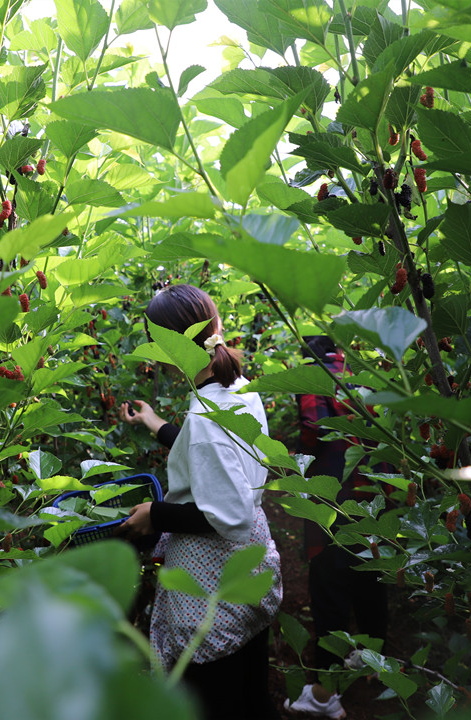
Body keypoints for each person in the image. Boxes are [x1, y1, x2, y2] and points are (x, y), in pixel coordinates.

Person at [116, 284, 282, 720]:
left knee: (214, 700)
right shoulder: (238, 389)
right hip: (249, 567)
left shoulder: (208, 415)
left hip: (212, 583)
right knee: (249, 689)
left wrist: (156, 514)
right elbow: (209, 452)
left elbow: (226, 513)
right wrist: (156, 423)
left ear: (169, 346)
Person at [285, 336, 390, 719]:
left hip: (334, 496)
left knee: (330, 593)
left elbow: (314, 425)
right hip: (374, 494)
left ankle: (324, 694)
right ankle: (371, 661)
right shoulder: (364, 374)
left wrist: (300, 463)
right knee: (370, 578)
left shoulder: (314, 376)